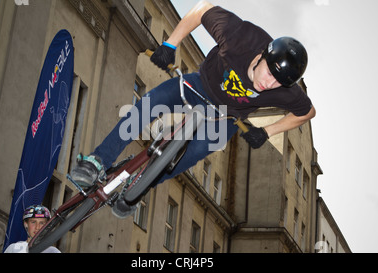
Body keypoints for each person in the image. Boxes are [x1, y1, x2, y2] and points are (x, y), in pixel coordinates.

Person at [70, 1, 316, 217]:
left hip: (226, 116)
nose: (269, 84)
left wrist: (267, 132)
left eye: (278, 83)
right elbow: (202, 9)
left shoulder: (284, 89)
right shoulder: (241, 37)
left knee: (193, 153)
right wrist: (171, 44)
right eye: (270, 73)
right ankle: (97, 161)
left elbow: (307, 112)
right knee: (150, 103)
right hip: (197, 85)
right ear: (263, 55)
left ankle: (138, 189)